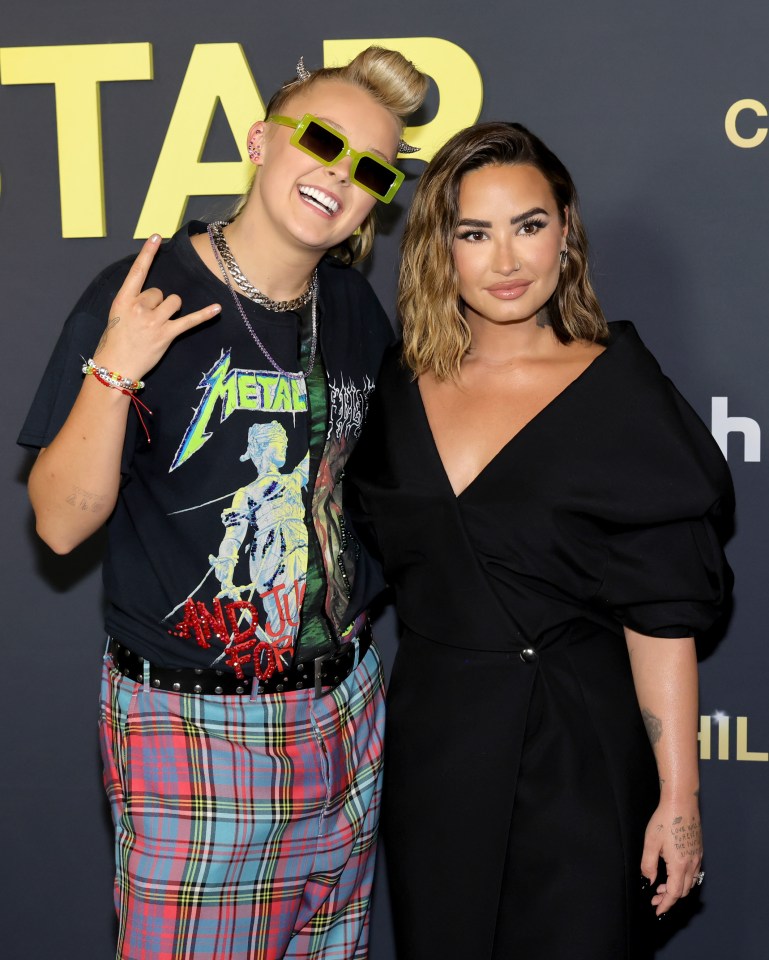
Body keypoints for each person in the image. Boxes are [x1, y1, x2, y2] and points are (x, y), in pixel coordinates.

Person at [19, 48, 428, 960]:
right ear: (258, 140)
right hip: (195, 730)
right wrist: (117, 364)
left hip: (347, 716)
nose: (339, 174)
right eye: (321, 140)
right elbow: (60, 521)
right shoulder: (147, 292)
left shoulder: (355, 310)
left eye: (369, 168)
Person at [345, 122, 734, 960]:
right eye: (474, 233)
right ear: (439, 251)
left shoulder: (616, 388)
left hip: (577, 750)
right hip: (437, 749)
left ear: (565, 232)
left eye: (528, 224)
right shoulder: (395, 391)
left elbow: (660, 613)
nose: (506, 259)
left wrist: (678, 798)